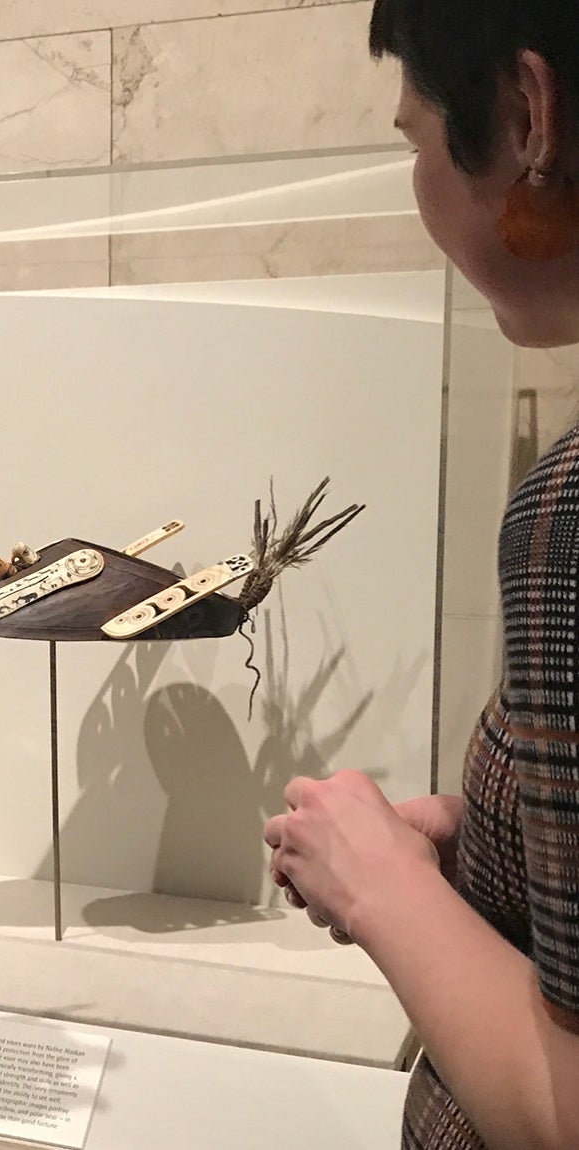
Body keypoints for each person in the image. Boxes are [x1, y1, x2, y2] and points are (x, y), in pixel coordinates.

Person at [264, 4, 579, 1149]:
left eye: (416, 140)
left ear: (528, 116)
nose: (418, 184)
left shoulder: (569, 516)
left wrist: (376, 885)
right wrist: (487, 838)